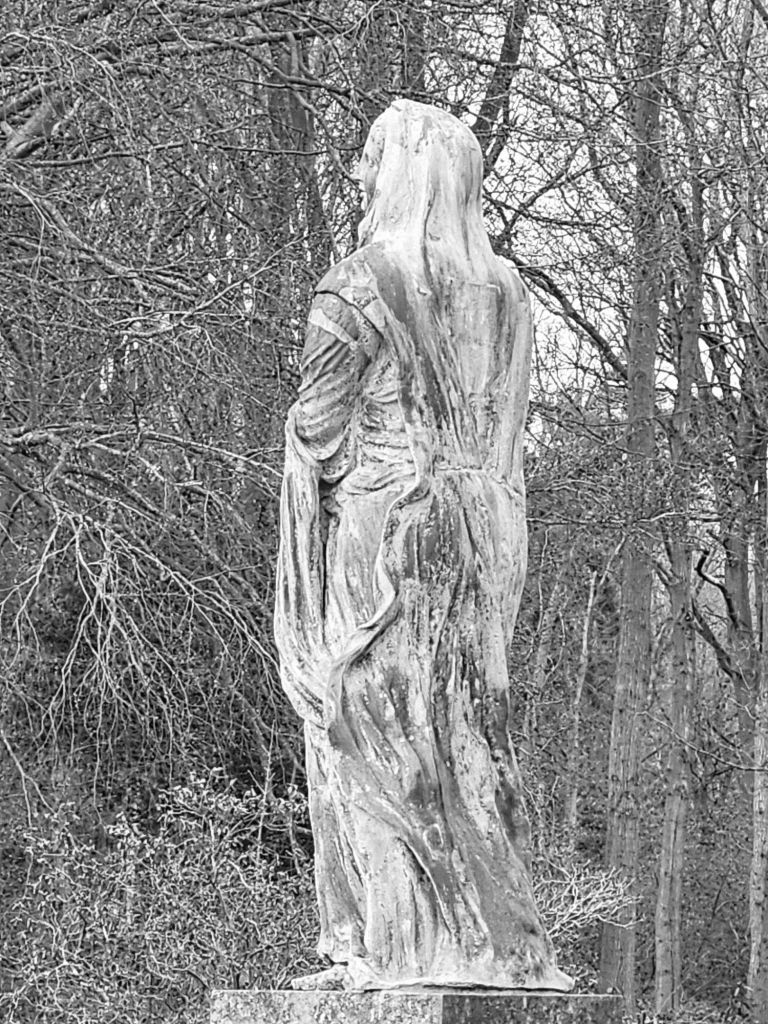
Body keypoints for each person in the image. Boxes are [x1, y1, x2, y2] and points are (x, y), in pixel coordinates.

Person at [275, 98, 573, 992]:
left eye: (371, 158)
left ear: (403, 172)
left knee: (363, 724)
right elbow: (505, 426)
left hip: (386, 531)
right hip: (483, 531)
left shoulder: (359, 285)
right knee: (468, 739)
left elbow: (318, 430)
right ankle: (488, 944)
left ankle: (387, 943)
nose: (360, 175)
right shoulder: (508, 292)